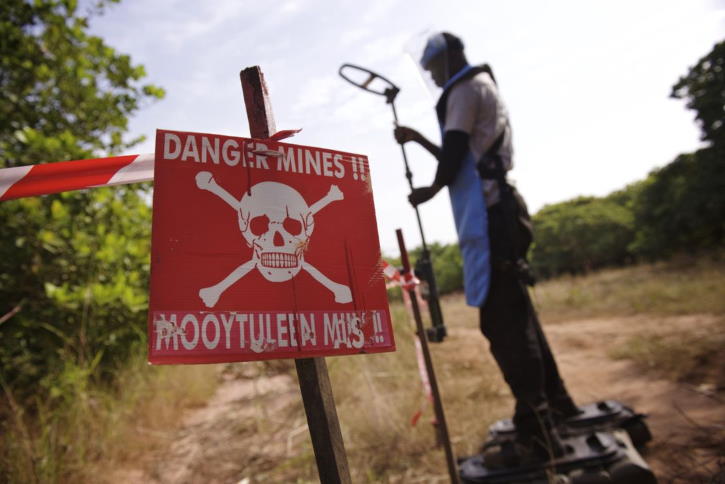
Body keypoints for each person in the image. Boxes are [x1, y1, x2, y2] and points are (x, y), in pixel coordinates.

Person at [394, 32, 580, 466]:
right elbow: (464, 151)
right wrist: (421, 140)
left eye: (435, 67)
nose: (434, 76)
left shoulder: (464, 87)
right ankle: (557, 405)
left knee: (504, 325)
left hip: (496, 219)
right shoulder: (475, 88)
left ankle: (537, 434)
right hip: (503, 216)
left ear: (451, 57)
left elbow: (456, 154)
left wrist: (429, 190)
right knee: (518, 316)